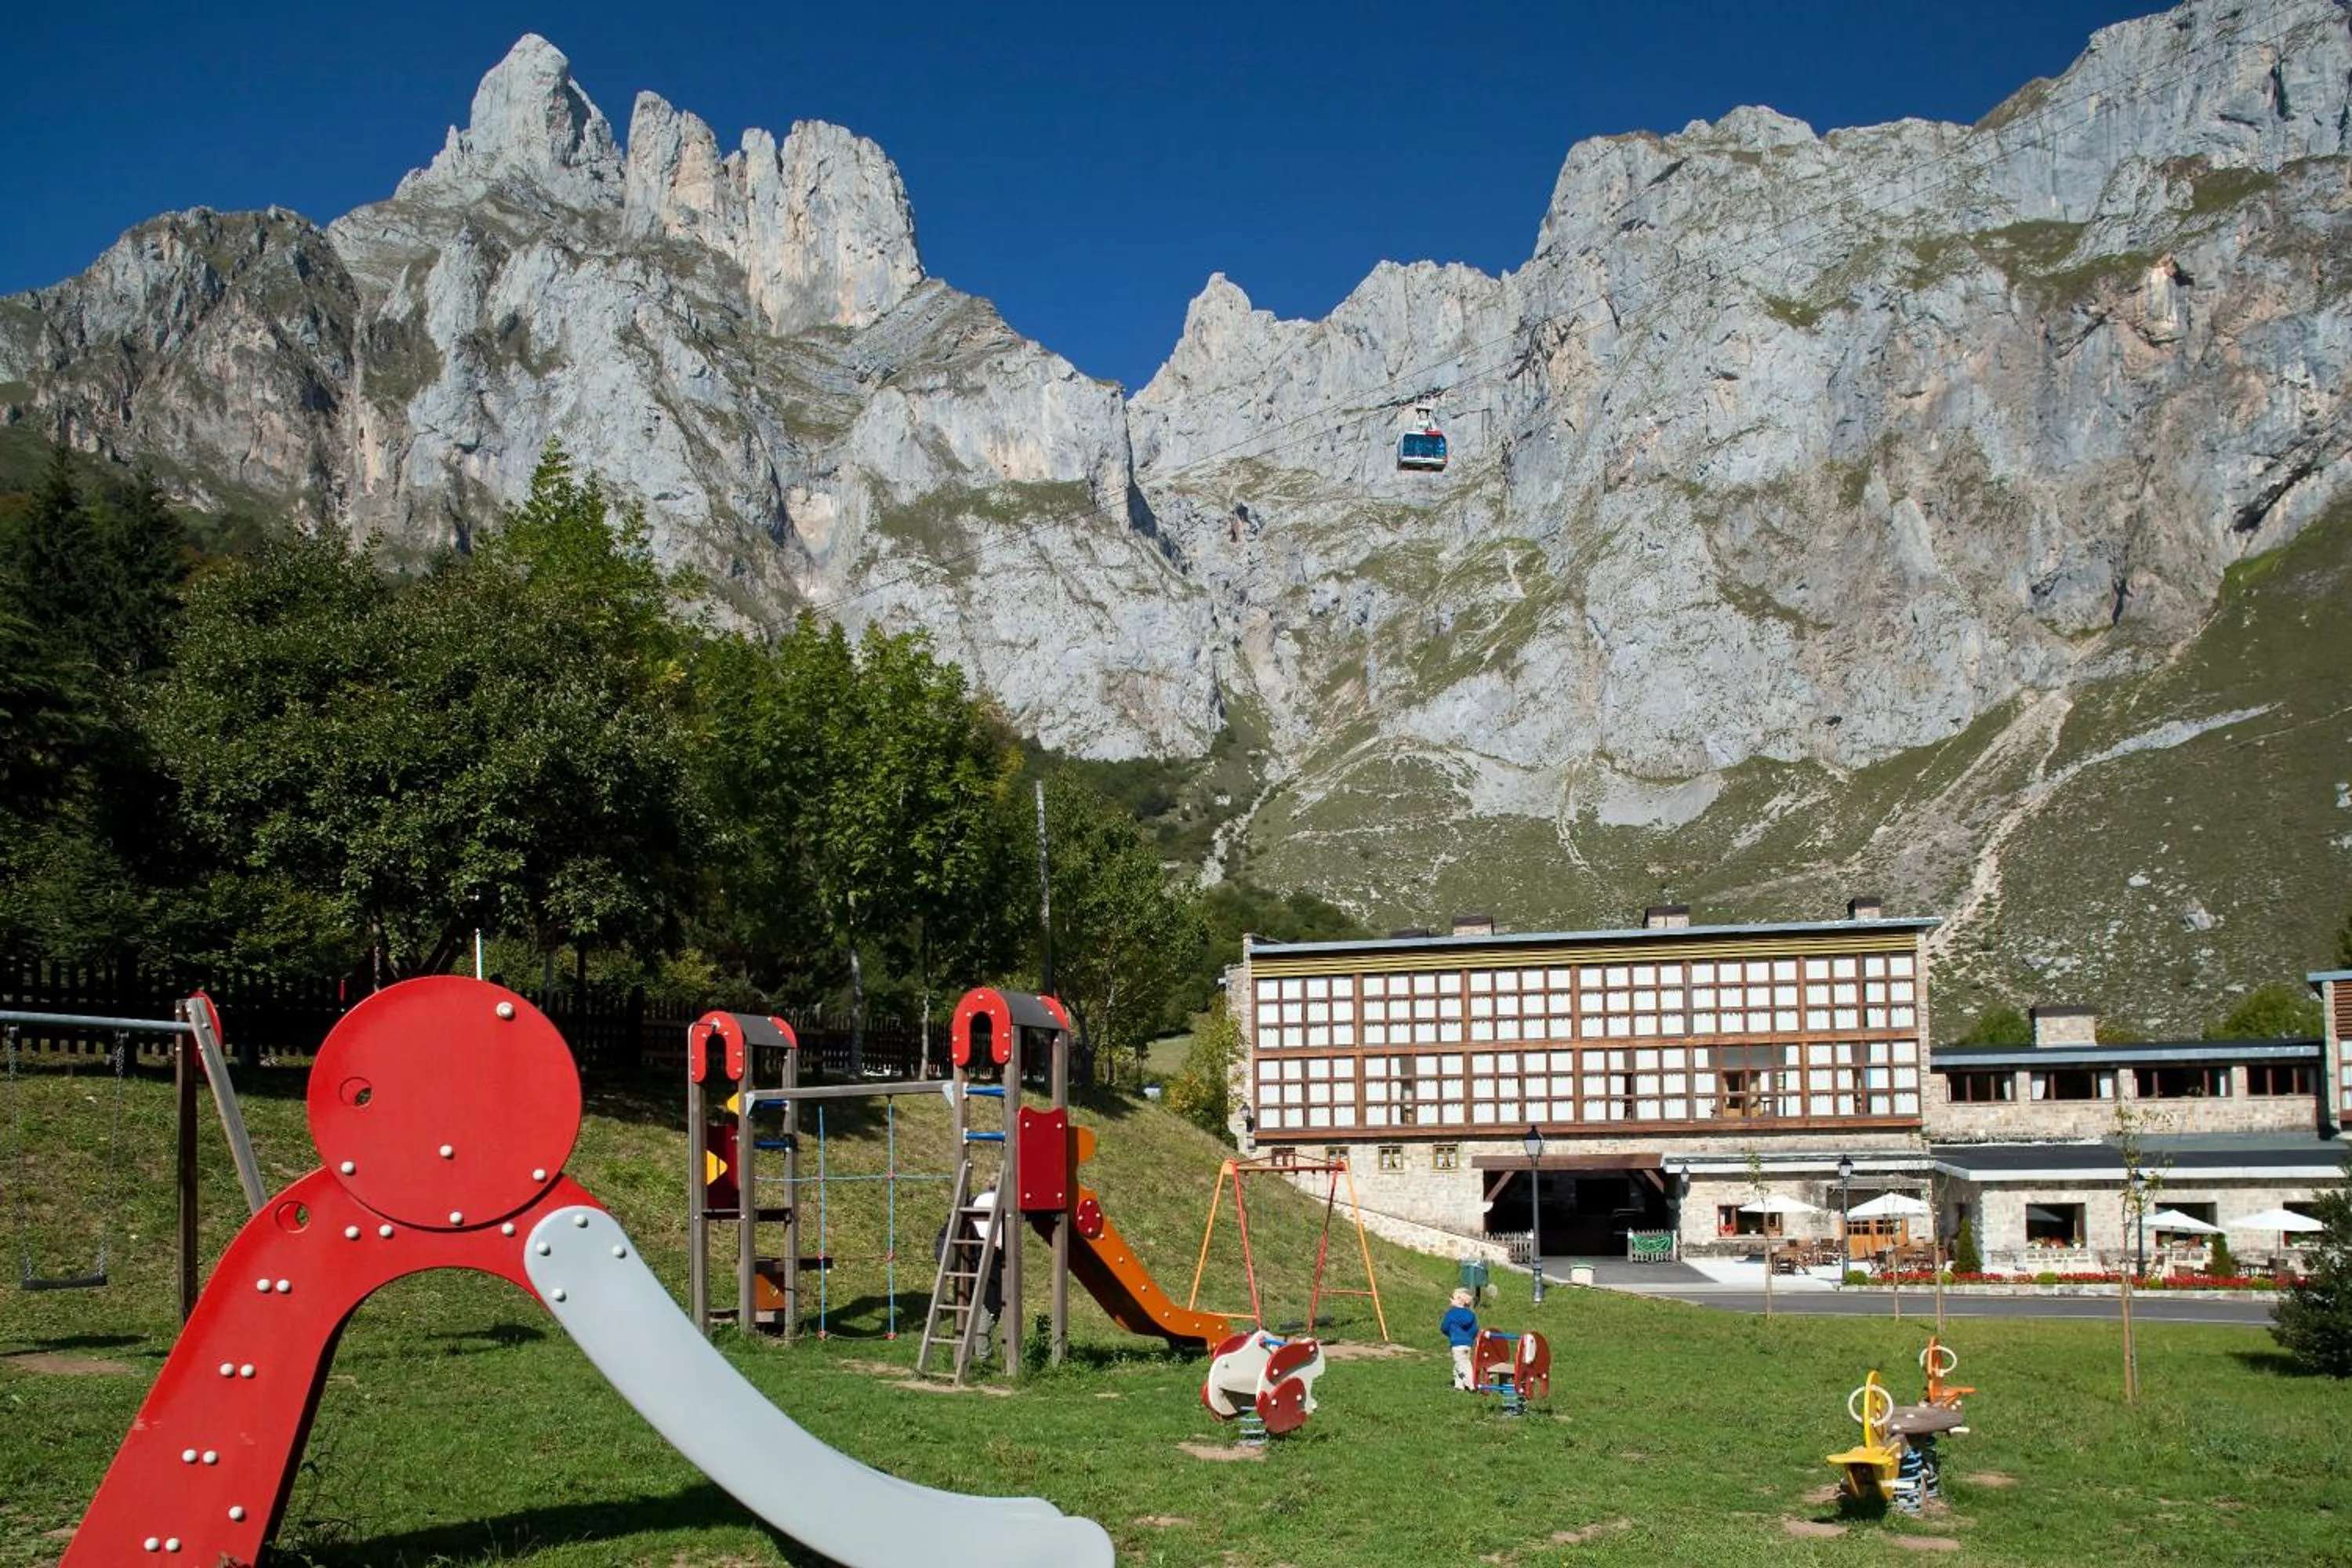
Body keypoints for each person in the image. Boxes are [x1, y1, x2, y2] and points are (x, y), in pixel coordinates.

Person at [1441, 1287, 1479, 1391]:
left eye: (1452, 1297)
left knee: (1462, 1364)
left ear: (1459, 1300)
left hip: (1457, 1343)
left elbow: (1444, 1327)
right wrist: (1470, 1338)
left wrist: (1449, 1333)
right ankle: (1459, 1385)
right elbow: (1475, 1329)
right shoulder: (1471, 1314)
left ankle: (1472, 1384)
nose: (1450, 1299)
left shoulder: (1451, 1314)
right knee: (1461, 1362)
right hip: (1467, 1344)